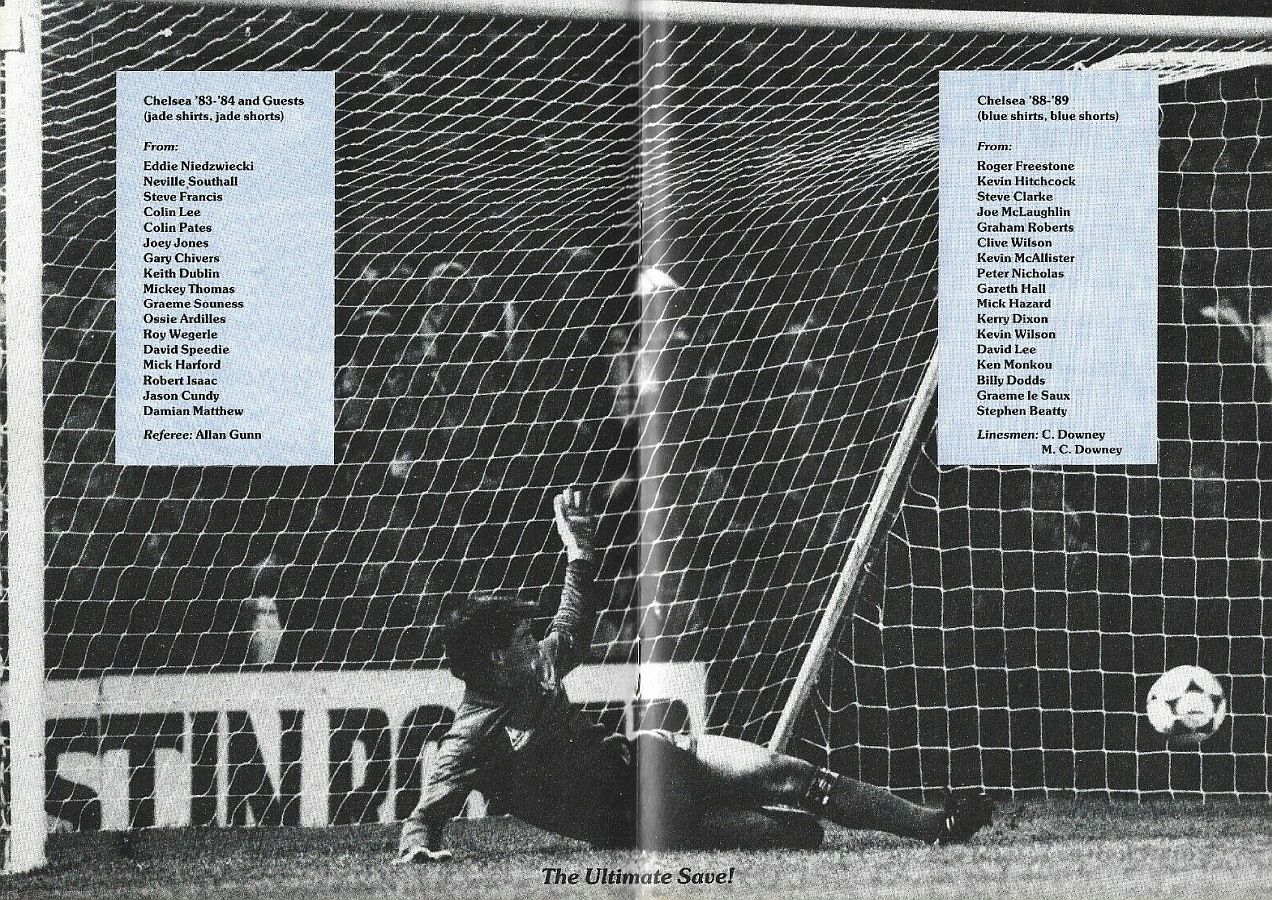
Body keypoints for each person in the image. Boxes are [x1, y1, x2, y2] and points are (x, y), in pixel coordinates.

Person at [396, 489, 992, 861]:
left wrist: (578, 552)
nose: (538, 638)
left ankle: (936, 825)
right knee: (797, 834)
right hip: (641, 821)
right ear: (497, 659)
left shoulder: (539, 667)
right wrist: (419, 848)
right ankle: (791, 827)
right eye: (523, 636)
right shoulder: (470, 738)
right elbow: (426, 812)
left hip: (650, 755)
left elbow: (571, 621)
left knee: (794, 776)